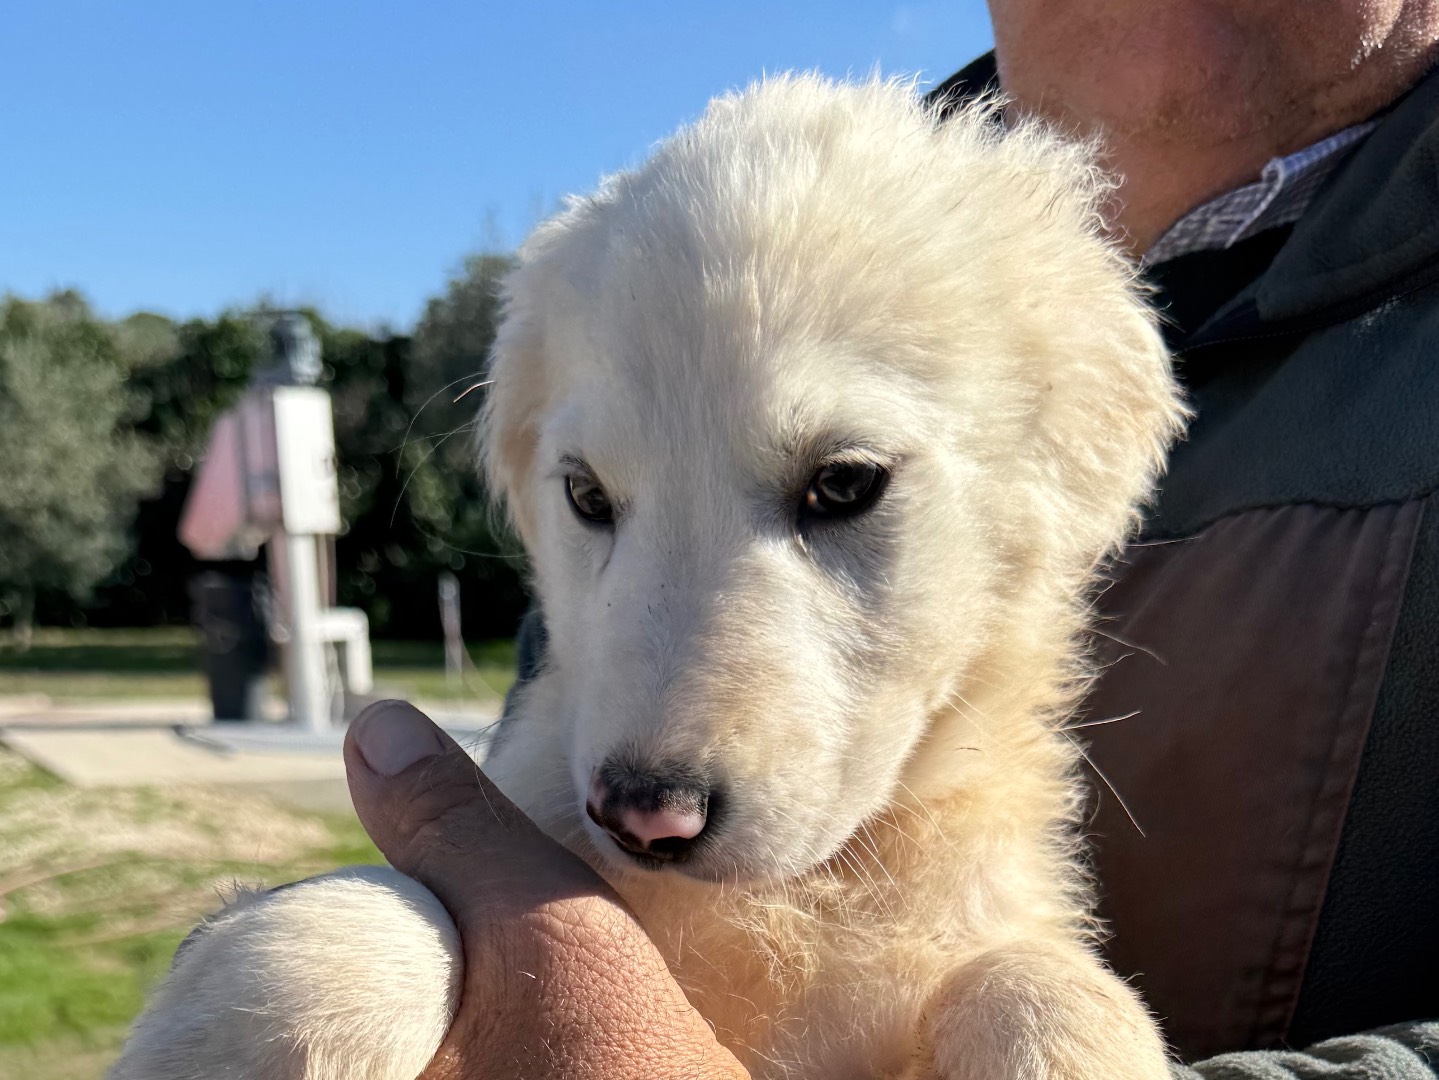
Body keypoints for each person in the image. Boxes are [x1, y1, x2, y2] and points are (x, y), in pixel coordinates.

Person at [347, 2, 1439, 1075]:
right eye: (592, 502)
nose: (643, 767)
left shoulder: (997, 284)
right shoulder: (701, 258)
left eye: (840, 485)